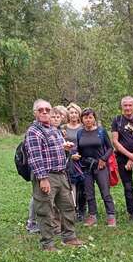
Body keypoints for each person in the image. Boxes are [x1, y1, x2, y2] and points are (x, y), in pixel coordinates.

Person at [25, 99, 83, 251]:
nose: (44, 112)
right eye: (41, 110)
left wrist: (64, 147)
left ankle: (69, 237)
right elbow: (35, 157)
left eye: (47, 110)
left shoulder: (54, 129)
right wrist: (43, 179)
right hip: (46, 176)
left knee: (68, 206)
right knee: (45, 210)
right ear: (35, 113)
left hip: (61, 174)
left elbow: (52, 149)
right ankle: (48, 244)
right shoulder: (34, 131)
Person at [77, 108, 117, 227]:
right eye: (85, 117)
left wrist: (103, 159)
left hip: (100, 166)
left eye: (90, 117)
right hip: (86, 166)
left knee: (105, 191)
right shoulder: (80, 133)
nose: (88, 120)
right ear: (82, 119)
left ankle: (111, 216)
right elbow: (79, 150)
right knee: (89, 192)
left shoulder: (101, 131)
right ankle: (92, 216)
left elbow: (110, 148)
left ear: (94, 118)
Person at [64, 103, 86, 220]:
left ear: (79, 114)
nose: (73, 115)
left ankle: (82, 210)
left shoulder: (83, 127)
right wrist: (70, 155)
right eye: (71, 112)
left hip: (82, 158)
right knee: (71, 185)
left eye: (75, 112)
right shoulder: (64, 128)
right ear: (68, 114)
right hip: (69, 160)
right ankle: (72, 209)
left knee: (83, 185)